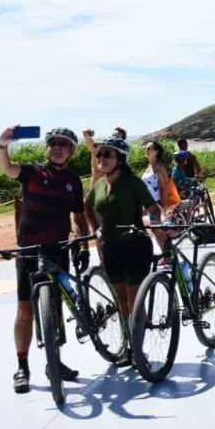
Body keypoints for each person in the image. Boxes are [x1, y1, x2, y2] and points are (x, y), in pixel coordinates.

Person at [0, 126, 90, 393]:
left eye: (63, 144)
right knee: (25, 311)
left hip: (58, 249)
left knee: (56, 309)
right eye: (53, 143)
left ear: (72, 150)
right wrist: (3, 144)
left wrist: (82, 245)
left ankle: (54, 363)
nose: (57, 147)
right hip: (29, 248)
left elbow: (79, 215)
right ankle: (22, 368)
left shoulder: (73, 179)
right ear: (47, 147)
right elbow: (6, 168)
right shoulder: (32, 172)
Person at [84, 137, 162, 366]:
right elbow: (87, 206)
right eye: (99, 154)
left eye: (107, 154)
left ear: (120, 158)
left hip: (135, 247)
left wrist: (163, 221)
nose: (101, 158)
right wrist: (95, 228)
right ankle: (129, 348)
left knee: (135, 303)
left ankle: (138, 352)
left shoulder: (133, 182)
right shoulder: (99, 185)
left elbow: (153, 207)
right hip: (110, 250)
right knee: (122, 304)